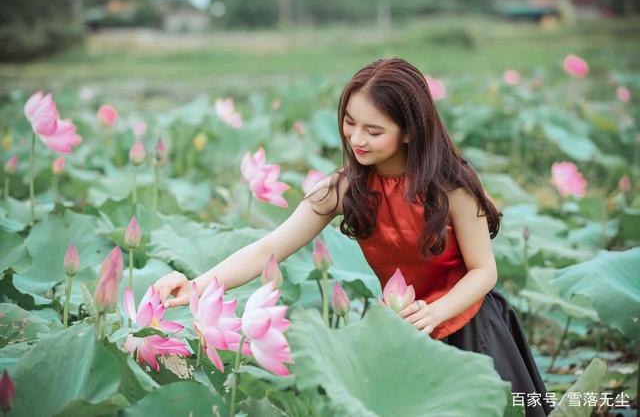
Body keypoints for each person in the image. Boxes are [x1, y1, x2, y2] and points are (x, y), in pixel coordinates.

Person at [154, 57, 551, 416]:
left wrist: (436, 312)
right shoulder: (345, 189)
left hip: (469, 324)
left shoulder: (453, 187)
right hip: (400, 331)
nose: (356, 139)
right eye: (349, 122)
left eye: (373, 130)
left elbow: (484, 271)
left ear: (410, 130)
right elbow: (269, 247)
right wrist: (196, 285)